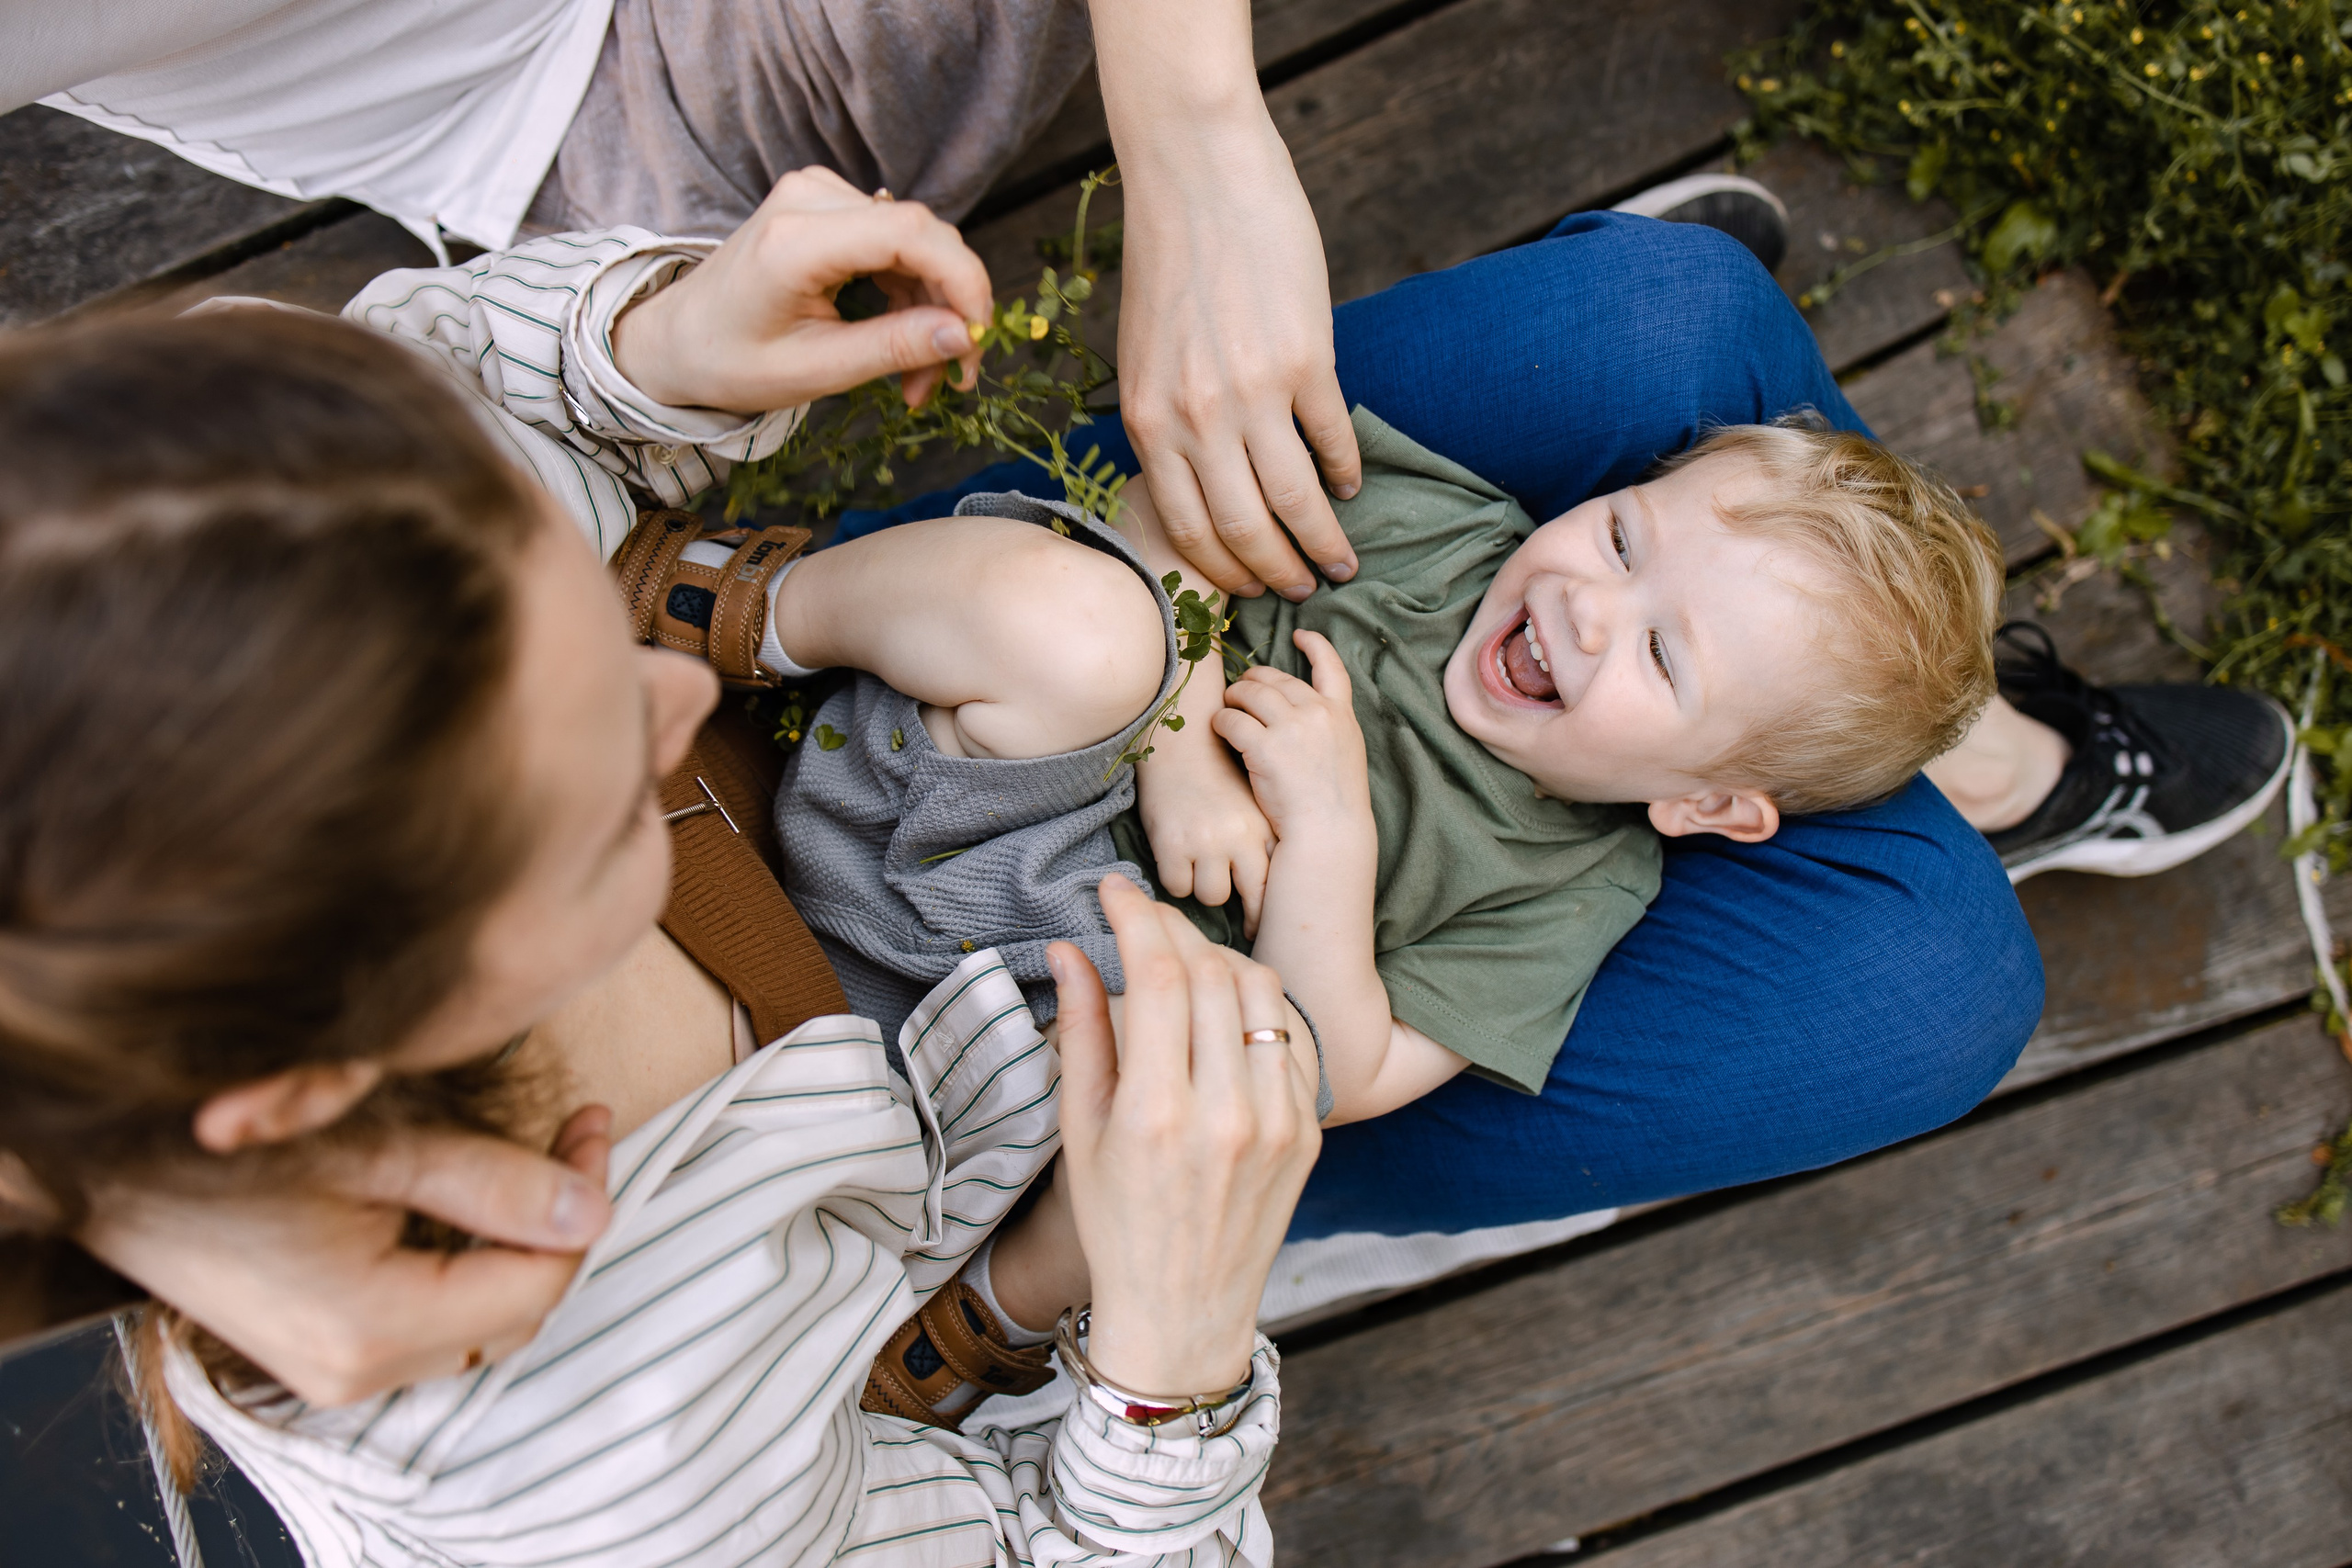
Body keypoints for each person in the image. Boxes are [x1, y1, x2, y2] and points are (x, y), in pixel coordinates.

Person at [0, 282, 1320, 1564]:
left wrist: (651, 346)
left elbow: (450, 371)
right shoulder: (613, 1460)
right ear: (337, 1057)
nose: (675, 707)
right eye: (589, 773)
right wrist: (1171, 1358)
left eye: (589, 635)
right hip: (1006, 1266)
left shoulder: (202, 483)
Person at [632, 407, 2001, 1127]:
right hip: (941, 786)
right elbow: (1164, 503)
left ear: (1703, 802)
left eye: (1663, 658)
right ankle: (741, 608)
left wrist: (1330, 847)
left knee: (1219, 1106)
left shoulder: (1572, 888)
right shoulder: (1432, 527)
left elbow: (1336, 1082)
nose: (1589, 604)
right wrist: (1178, 741)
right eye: (1628, 538)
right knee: (1087, 622)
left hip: (1023, 1040)